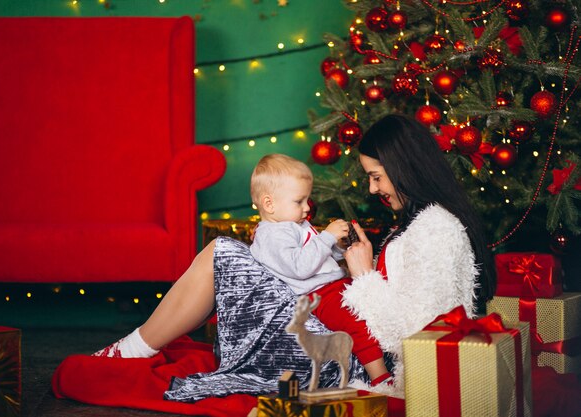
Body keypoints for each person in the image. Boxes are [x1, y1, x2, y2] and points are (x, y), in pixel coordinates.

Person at [64, 113, 495, 403]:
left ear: (405, 168)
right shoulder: (426, 222)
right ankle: (136, 346)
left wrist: (362, 276)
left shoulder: (437, 228)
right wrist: (352, 269)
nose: (372, 189)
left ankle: (133, 349)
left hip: (354, 366)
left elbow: (421, 336)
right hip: (347, 341)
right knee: (226, 254)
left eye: (376, 177)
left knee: (223, 253)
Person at [248, 153, 390, 386]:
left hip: (332, 285)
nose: (306, 208)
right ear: (269, 204)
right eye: (299, 201)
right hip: (319, 294)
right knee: (357, 324)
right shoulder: (272, 235)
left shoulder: (292, 223)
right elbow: (300, 266)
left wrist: (338, 246)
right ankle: (381, 379)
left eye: (307, 200)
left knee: (374, 309)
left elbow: (318, 256)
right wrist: (326, 237)